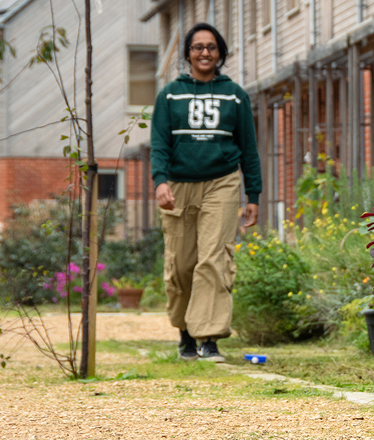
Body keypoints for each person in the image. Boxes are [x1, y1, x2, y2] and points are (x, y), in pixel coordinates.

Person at [150, 23, 261, 363]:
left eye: (211, 47)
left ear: (220, 53)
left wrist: (253, 195)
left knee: (214, 259)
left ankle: (209, 338)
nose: (204, 53)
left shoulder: (234, 95)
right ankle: (186, 333)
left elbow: (249, 149)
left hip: (221, 182)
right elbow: (159, 143)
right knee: (182, 264)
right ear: (187, 54)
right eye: (198, 47)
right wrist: (160, 181)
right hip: (178, 185)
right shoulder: (170, 95)